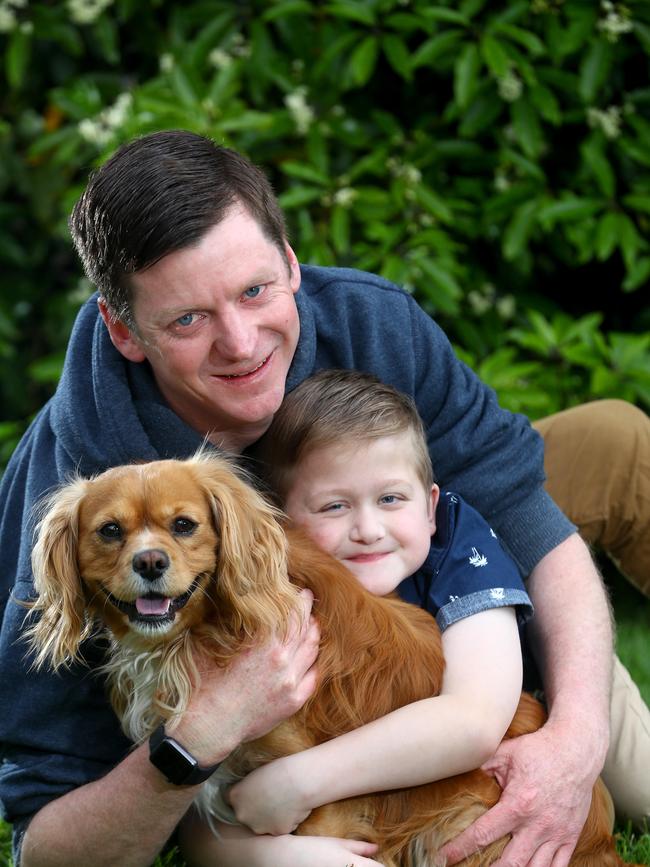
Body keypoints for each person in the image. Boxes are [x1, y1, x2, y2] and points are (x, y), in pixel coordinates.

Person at [0, 128, 645, 867]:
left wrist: (574, 737)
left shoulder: (374, 323)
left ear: (292, 263)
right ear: (125, 330)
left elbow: (531, 524)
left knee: (619, 443)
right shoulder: (76, 492)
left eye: (255, 290)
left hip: (469, 651)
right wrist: (197, 739)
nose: (241, 343)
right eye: (188, 319)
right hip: (270, 746)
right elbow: (45, 840)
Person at [181, 368, 534, 866]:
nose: (368, 529)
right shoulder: (276, 585)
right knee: (207, 825)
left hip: (512, 722)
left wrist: (296, 783)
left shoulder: (457, 546)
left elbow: (473, 723)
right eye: (334, 506)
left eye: (390, 499)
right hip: (365, 786)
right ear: (279, 522)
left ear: (430, 508)